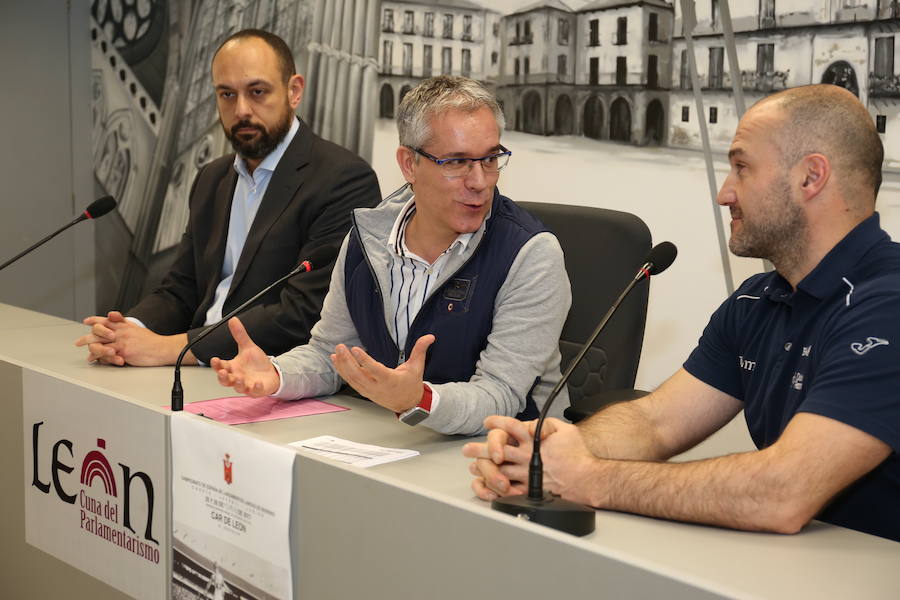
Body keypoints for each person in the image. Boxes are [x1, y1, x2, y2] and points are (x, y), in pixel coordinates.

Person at [465, 84, 900, 542]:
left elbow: (782, 492)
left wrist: (590, 479)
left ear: (811, 177)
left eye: (742, 168)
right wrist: (548, 450)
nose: (725, 194)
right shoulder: (758, 299)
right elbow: (656, 422)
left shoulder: (886, 306)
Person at [211, 76, 571, 435]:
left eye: (490, 158)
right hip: (398, 441)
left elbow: (502, 395)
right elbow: (332, 355)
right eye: (457, 162)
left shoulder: (530, 254)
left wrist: (419, 400)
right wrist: (277, 374)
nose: (479, 181)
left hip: (508, 454)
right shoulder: (366, 240)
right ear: (409, 164)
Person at [75, 29, 380, 366]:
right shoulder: (211, 179)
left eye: (258, 91)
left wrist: (171, 349)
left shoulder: (343, 178)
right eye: (227, 94)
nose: (242, 110)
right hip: (195, 370)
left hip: (276, 381)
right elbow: (182, 289)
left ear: (294, 91)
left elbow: (305, 314)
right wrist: (125, 332)